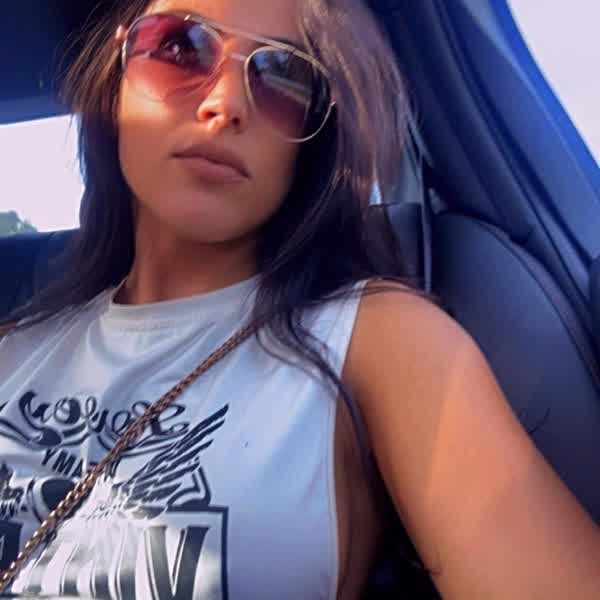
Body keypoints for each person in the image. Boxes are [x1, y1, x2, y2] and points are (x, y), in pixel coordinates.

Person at [0, 0, 599, 598]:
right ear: (119, 71)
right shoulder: (16, 346)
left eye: (284, 77)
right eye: (180, 46)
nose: (225, 104)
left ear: (317, 133)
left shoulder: (383, 339)